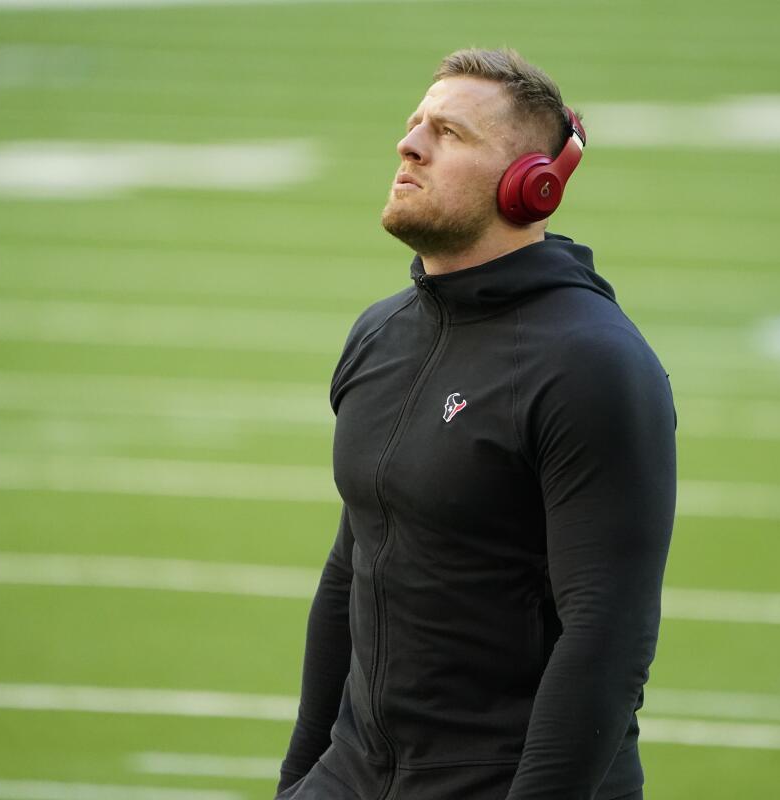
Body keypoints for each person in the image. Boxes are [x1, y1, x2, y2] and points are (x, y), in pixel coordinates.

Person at [275, 47, 677, 800]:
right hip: (356, 778)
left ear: (533, 185)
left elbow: (607, 638)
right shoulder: (380, 334)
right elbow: (349, 571)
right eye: (414, 124)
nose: (410, 144)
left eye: (450, 134)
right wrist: (299, 780)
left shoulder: (591, 364)